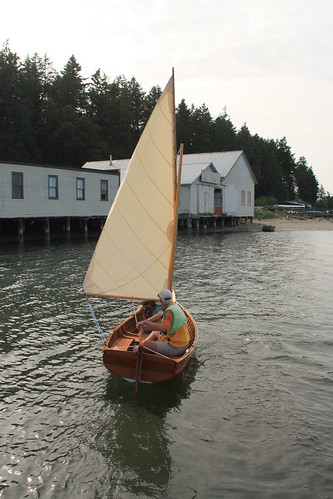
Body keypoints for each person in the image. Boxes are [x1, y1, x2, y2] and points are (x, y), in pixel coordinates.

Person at [133, 289, 190, 356]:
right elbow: (163, 328)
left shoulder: (169, 312)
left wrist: (145, 323)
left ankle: (139, 350)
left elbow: (163, 328)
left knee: (146, 344)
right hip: (183, 343)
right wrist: (146, 324)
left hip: (177, 348)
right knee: (155, 332)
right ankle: (140, 347)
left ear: (160, 301)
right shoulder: (175, 307)